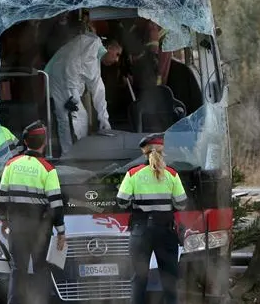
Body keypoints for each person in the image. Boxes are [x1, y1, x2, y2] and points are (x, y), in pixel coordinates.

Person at [0, 121, 65, 304]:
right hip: (40, 229)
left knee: (18, 269)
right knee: (41, 268)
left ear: (26, 142)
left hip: (16, 226)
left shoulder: (10, 165)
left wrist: (3, 220)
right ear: (45, 142)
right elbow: (56, 204)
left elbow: (2, 197)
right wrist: (61, 232)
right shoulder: (48, 169)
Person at [116, 133, 187, 304]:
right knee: (169, 280)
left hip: (140, 233)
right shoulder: (171, 174)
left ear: (144, 152)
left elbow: (121, 202)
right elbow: (182, 204)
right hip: (166, 232)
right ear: (163, 151)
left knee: (138, 280)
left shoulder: (133, 174)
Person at [44, 31, 122, 155]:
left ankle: (71, 153)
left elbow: (99, 90)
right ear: (110, 48)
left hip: (65, 82)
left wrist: (104, 119)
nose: (117, 59)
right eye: (117, 54)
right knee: (76, 118)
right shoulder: (92, 43)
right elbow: (71, 63)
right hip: (61, 79)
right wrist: (72, 96)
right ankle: (75, 154)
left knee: (69, 118)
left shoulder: (96, 59)